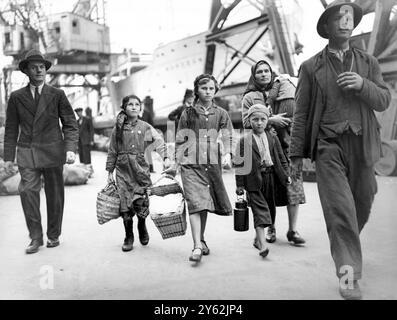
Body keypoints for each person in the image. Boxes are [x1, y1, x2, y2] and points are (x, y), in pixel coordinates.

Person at [290, 0, 391, 300]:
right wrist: (295, 156)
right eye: (339, 17)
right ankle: (348, 275)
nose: (346, 21)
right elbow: (301, 114)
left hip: (362, 146)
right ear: (327, 27)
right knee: (340, 212)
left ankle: (346, 244)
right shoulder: (310, 67)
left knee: (363, 202)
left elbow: (384, 100)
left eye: (349, 16)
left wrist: (362, 85)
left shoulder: (368, 63)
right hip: (328, 147)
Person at [3, 49, 78, 254]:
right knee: (27, 191)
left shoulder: (57, 95)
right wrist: (8, 157)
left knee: (54, 195)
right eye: (34, 67)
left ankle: (53, 235)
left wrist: (70, 148)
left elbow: (70, 123)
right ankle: (35, 237)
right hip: (27, 151)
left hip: (53, 151)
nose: (39, 70)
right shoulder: (17, 97)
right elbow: (11, 128)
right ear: (26, 71)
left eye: (42, 67)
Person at [241, 60, 306, 245]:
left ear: (272, 72)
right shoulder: (249, 97)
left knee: (293, 187)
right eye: (259, 71)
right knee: (267, 191)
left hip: (288, 145)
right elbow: (246, 123)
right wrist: (271, 120)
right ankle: (271, 227)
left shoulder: (284, 88)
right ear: (254, 75)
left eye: (266, 70)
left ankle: (293, 230)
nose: (263, 74)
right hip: (264, 150)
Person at [175, 74, 233, 263]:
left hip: (211, 163)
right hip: (190, 163)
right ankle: (197, 246)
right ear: (197, 90)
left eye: (211, 89)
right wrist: (175, 164)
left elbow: (227, 135)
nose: (208, 92)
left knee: (204, 203)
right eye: (204, 88)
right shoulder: (188, 113)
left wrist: (227, 154)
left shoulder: (221, 113)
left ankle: (201, 239)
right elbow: (180, 139)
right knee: (194, 202)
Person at [106, 94, 171, 252]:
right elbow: (112, 150)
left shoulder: (145, 127)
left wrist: (166, 158)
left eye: (137, 104)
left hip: (141, 170)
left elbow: (159, 142)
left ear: (140, 108)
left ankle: (142, 225)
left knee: (141, 202)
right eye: (130, 104)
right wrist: (109, 171)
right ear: (124, 108)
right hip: (122, 171)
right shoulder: (118, 128)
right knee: (125, 205)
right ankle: (129, 236)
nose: (134, 107)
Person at [235, 104, 290, 258]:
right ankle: (262, 245)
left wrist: (286, 175)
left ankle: (256, 239)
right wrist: (240, 186)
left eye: (262, 119)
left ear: (267, 121)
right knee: (260, 212)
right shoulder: (244, 141)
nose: (259, 122)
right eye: (255, 119)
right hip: (253, 181)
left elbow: (281, 159)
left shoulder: (273, 138)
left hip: (271, 178)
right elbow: (240, 166)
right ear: (249, 120)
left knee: (270, 211)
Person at [74, 107, 94, 174]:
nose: (78, 114)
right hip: (80, 142)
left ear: (82, 112)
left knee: (87, 156)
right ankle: (84, 172)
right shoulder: (77, 121)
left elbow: (91, 130)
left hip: (86, 140)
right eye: (77, 113)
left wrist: (91, 140)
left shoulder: (87, 119)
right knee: (81, 156)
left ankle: (90, 171)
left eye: (79, 112)